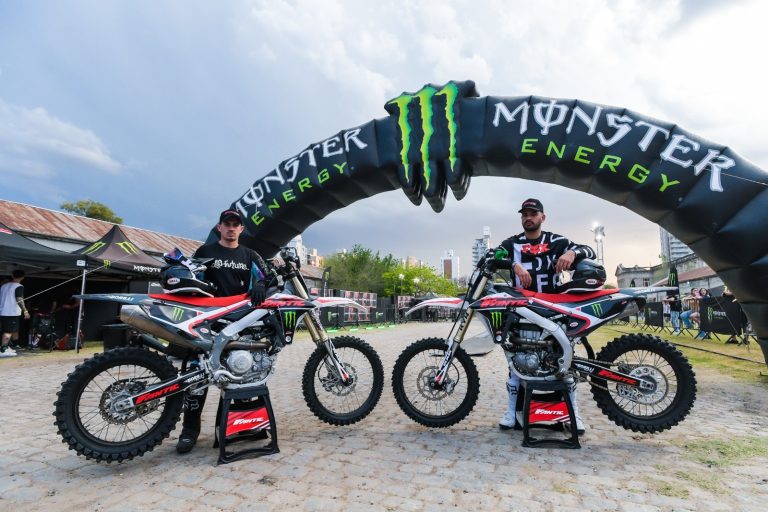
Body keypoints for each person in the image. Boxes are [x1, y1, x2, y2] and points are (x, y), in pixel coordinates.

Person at [495, 198, 597, 434]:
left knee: (564, 364)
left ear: (543, 217)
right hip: (520, 309)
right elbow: (493, 255)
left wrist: (571, 253)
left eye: (533, 213)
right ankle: (512, 413)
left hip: (554, 310)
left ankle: (573, 415)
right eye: (524, 214)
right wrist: (513, 265)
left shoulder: (557, 241)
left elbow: (589, 250)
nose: (528, 217)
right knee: (515, 364)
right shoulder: (513, 243)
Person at [176, 209, 270, 454]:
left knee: (237, 375)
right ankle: (189, 431)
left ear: (241, 229)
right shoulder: (205, 252)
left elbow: (267, 275)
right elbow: (190, 278)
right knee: (197, 377)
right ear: (219, 227)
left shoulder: (249, 254)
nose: (231, 228)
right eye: (226, 224)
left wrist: (259, 284)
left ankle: (236, 427)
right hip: (206, 321)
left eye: (235, 224)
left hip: (238, 322)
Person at [1, 270, 30, 357]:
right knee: (8, 332)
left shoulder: (3, 286)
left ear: (12, 276)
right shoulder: (19, 286)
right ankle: (3, 350)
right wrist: (25, 311)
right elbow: (19, 299)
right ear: (23, 277)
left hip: (3, 311)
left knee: (8, 330)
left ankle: (7, 347)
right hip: (10, 312)